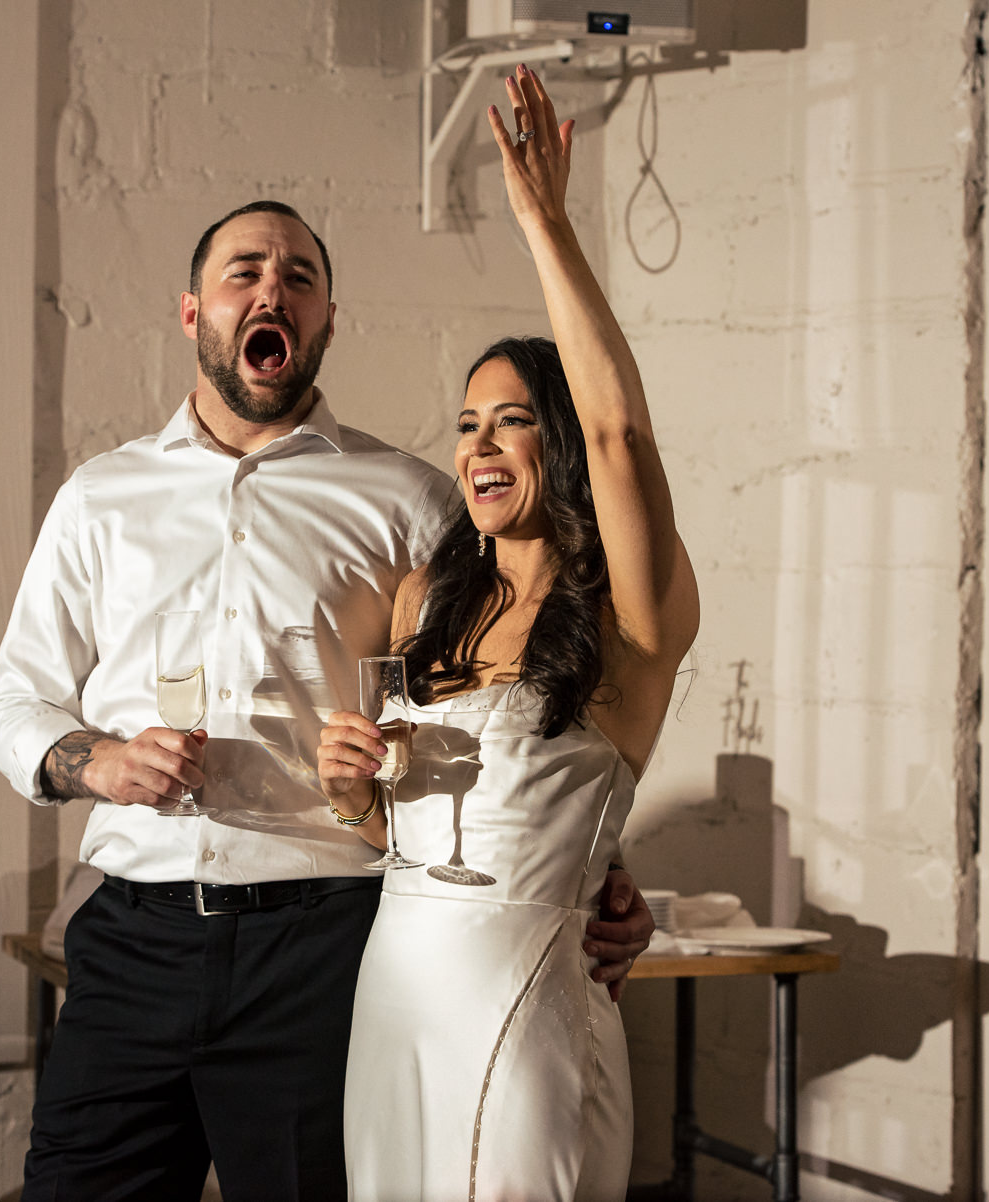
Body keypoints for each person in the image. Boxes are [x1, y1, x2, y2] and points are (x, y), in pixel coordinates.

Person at [0, 197, 657, 1202]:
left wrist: (593, 865)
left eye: (299, 276)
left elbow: (504, 695)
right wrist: (97, 759)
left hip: (324, 946)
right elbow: (13, 704)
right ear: (191, 313)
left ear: (328, 319)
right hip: (132, 937)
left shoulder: (413, 498)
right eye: (244, 271)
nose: (272, 290)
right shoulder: (98, 496)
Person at [318, 66, 700, 1200]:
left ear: (562, 443)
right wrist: (350, 792)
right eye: (468, 423)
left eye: (515, 420)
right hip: (392, 989)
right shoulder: (427, 601)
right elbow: (386, 822)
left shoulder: (635, 614)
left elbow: (624, 430)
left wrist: (544, 221)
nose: (481, 444)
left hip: (525, 1001)